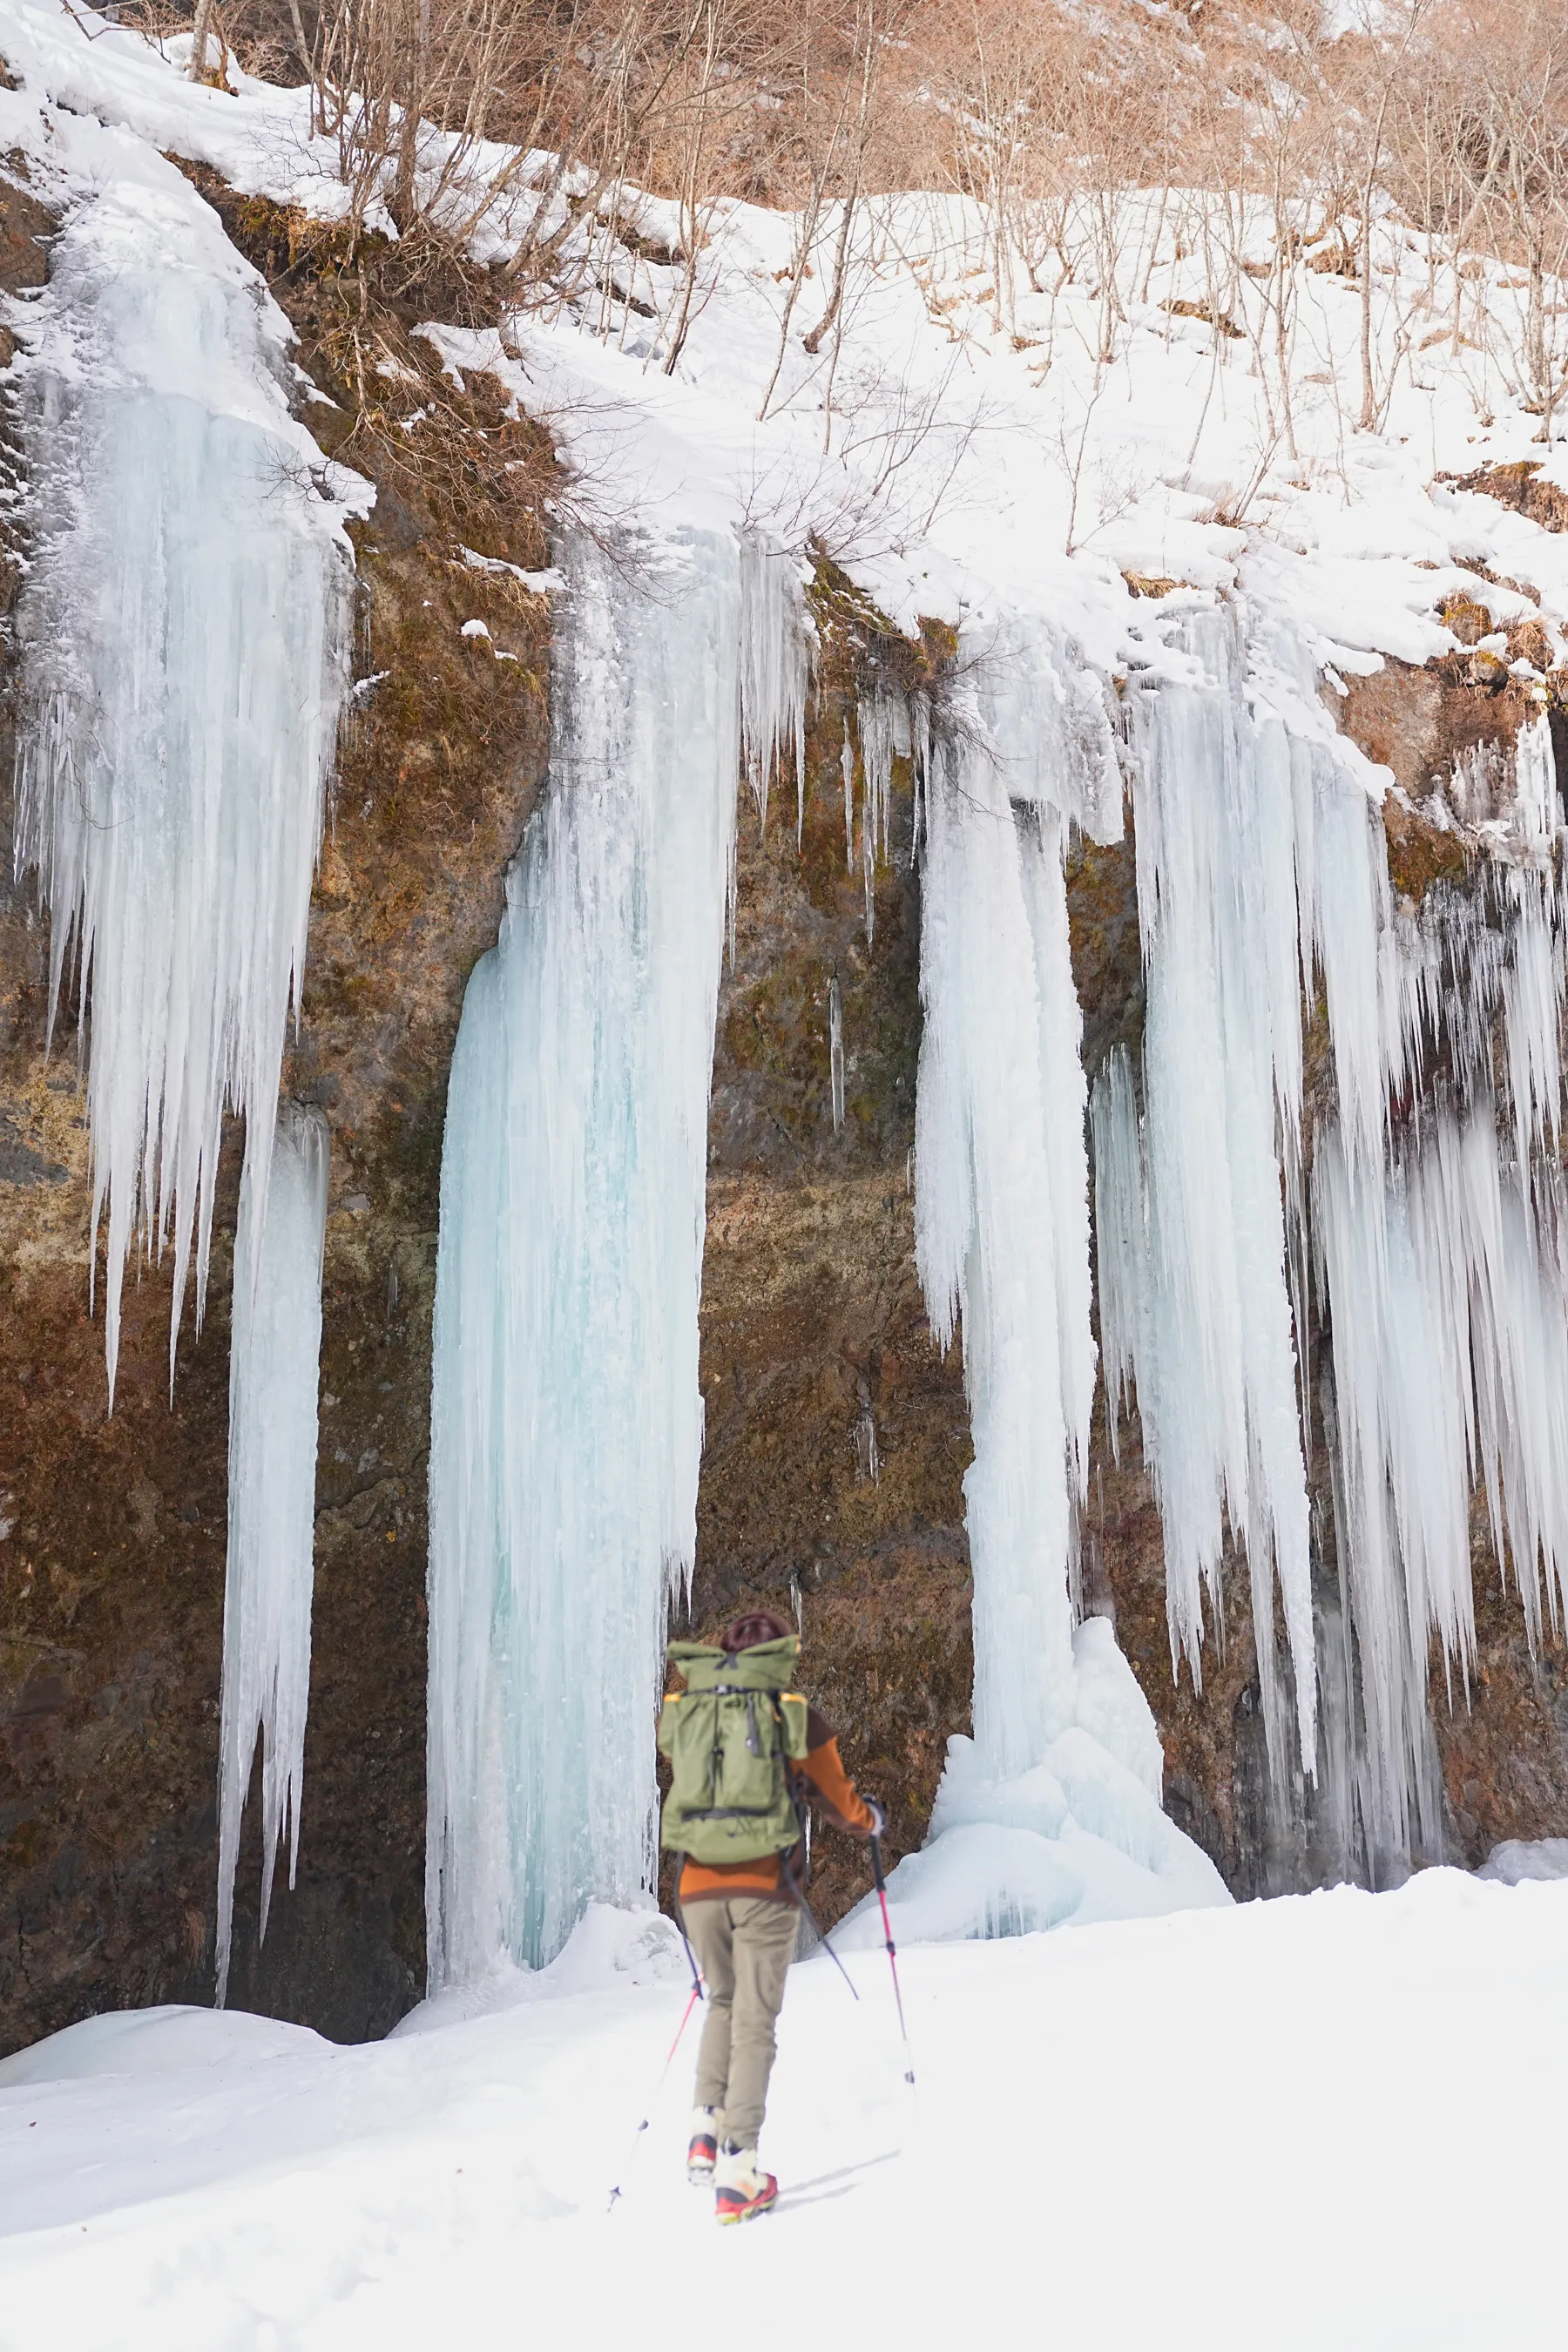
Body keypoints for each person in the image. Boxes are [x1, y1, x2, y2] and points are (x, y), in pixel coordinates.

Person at [659, 1606, 885, 2225]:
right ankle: (739, 2171)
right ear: (781, 1656)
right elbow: (840, 1803)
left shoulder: (693, 1713)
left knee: (722, 2003)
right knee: (755, 2021)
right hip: (764, 1889)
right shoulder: (793, 1716)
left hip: (698, 1888)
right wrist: (870, 1821)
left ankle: (705, 2127)